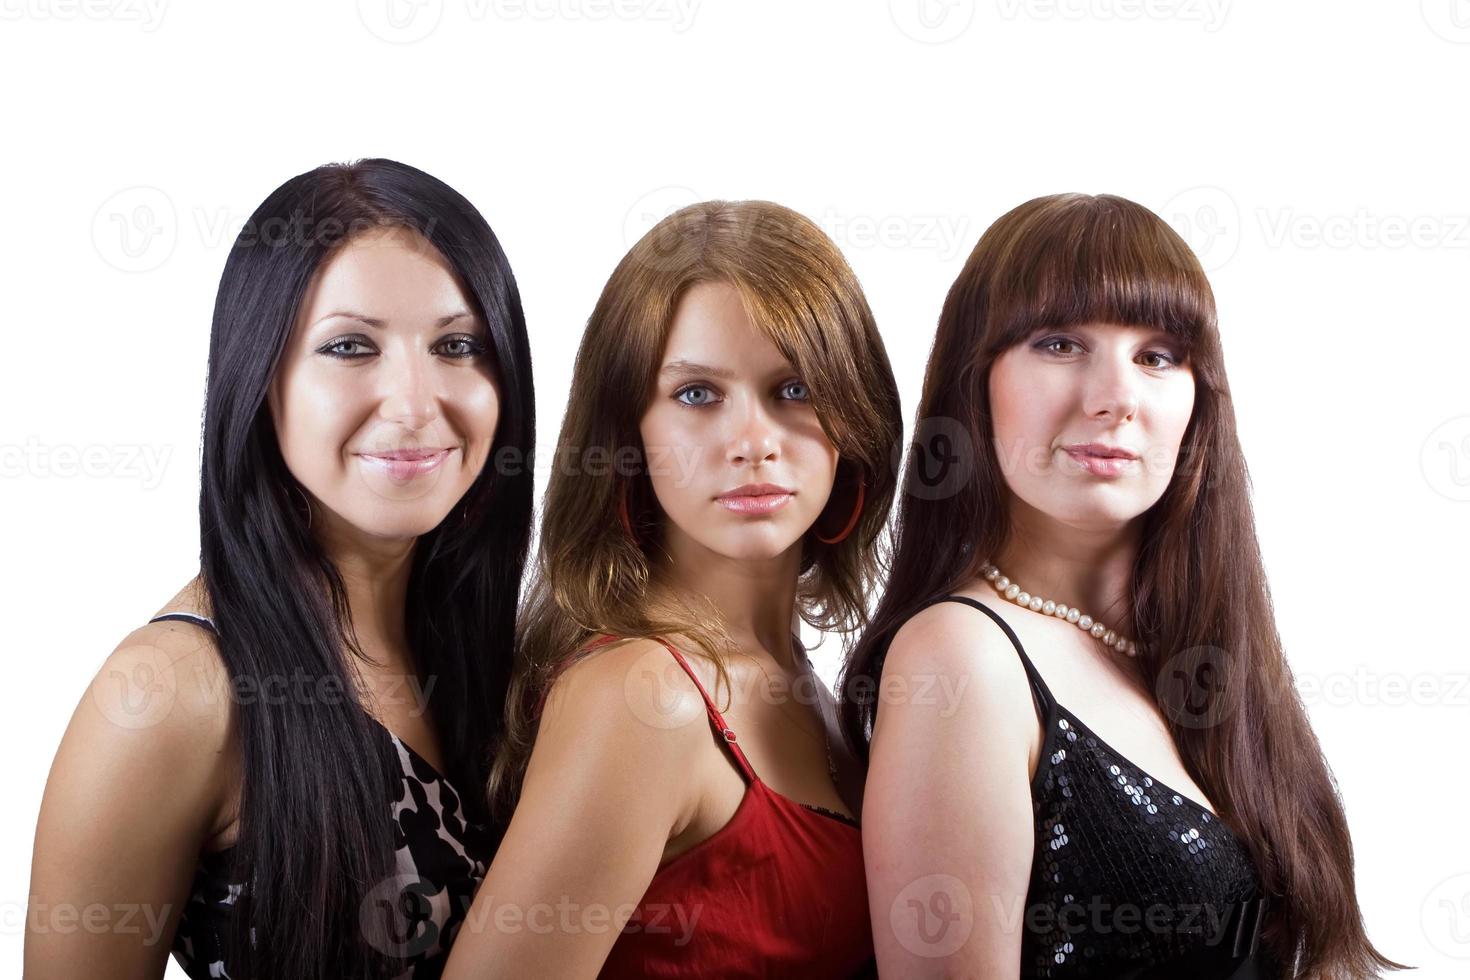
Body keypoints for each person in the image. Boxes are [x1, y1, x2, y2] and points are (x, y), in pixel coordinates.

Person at [847, 193, 1404, 978]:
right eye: (1061, 343)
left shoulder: (1198, 653)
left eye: (1159, 356)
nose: (1115, 397)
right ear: (976, 383)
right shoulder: (960, 659)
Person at [27, 158, 536, 980]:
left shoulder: (507, 651)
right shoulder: (167, 693)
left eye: (456, 345)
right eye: (349, 347)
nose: (413, 401)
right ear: (263, 382)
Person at [444, 200, 901, 978]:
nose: (752, 442)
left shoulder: (813, 688)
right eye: (697, 394)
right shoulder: (642, 695)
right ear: (629, 435)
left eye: (794, 389)